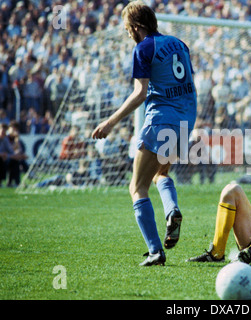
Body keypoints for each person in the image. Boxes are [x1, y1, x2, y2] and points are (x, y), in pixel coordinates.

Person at [91, 2, 197, 266]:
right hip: (185, 121)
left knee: (137, 187)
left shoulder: (144, 48)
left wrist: (110, 122)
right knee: (161, 174)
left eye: (128, 29)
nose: (129, 34)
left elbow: (140, 93)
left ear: (137, 27)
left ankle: (155, 251)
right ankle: (172, 210)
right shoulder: (179, 44)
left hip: (161, 120)